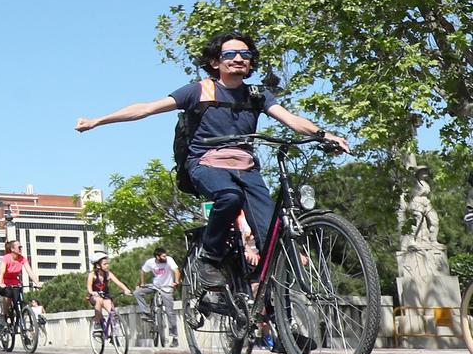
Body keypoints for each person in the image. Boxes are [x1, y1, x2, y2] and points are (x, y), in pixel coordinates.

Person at [76, 30, 348, 302]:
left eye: (245, 54)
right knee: (230, 196)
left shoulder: (257, 95)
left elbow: (291, 120)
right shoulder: (198, 90)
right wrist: (98, 120)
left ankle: (282, 322)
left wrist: (324, 135)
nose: (239, 58)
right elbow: (146, 108)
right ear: (216, 62)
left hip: (246, 168)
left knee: (272, 237)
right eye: (230, 54)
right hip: (206, 163)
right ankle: (209, 258)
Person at [138, 244, 180, 346]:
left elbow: (176, 271)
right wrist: (142, 283)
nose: (165, 258)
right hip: (155, 286)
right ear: (157, 257)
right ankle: (146, 312)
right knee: (137, 292)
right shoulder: (150, 262)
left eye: (165, 256)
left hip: (167, 288)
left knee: (170, 312)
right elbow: (143, 271)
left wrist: (176, 281)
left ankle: (174, 337)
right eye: (163, 256)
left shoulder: (169, 260)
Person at [86, 255, 133, 335]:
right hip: (94, 297)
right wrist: (92, 292)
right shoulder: (92, 275)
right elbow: (89, 287)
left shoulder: (108, 274)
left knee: (112, 312)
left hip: (105, 297)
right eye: (105, 264)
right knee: (99, 300)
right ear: (98, 266)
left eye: (107, 263)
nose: (107, 265)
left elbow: (118, 282)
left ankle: (114, 333)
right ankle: (97, 323)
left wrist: (126, 289)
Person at [0, 238, 34, 331]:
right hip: (3, 282)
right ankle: (3, 315)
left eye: (21, 247)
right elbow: (2, 272)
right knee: (8, 294)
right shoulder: (6, 258)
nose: (21, 248)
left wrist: (37, 283)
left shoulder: (22, 259)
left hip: (15, 283)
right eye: (19, 247)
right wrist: (0, 283)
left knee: (19, 303)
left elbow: (30, 272)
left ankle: (19, 325)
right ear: (12, 249)